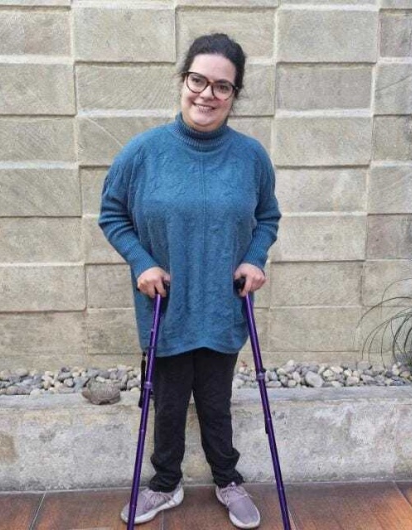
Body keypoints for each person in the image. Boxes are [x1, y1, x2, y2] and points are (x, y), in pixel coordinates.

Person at [99, 33, 281, 529]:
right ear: (183, 81)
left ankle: (228, 479)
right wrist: (142, 263)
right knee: (169, 404)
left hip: (222, 304)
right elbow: (112, 214)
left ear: (234, 94)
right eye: (198, 80)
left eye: (222, 86)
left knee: (217, 404)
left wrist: (254, 258)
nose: (207, 94)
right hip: (167, 305)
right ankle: (165, 484)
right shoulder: (143, 152)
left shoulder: (250, 157)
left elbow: (267, 217)